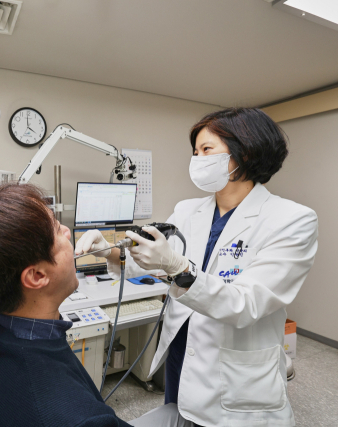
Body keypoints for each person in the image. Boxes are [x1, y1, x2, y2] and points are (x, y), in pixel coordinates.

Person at [75, 108, 318, 427]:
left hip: (235, 373)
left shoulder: (291, 220)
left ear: (244, 152)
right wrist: (107, 250)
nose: (197, 159)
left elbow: (246, 304)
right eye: (195, 152)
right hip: (182, 352)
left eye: (207, 150)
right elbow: (153, 263)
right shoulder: (188, 211)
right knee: (180, 411)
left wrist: (178, 268)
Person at [0, 183, 193, 427]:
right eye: (56, 228)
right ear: (37, 276)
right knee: (180, 415)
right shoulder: (80, 418)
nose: (66, 230)